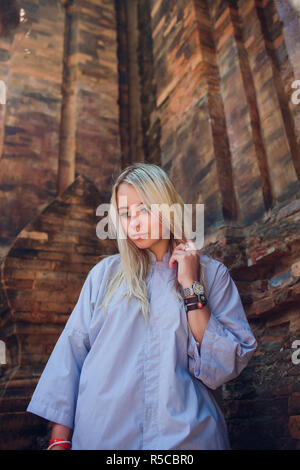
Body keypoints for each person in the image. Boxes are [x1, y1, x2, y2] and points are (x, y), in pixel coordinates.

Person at [27, 163, 257, 450]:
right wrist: (59, 439)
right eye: (125, 214)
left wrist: (190, 285)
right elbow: (71, 355)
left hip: (186, 439)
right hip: (102, 436)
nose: (134, 223)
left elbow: (224, 366)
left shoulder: (212, 275)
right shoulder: (104, 276)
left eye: (144, 209)